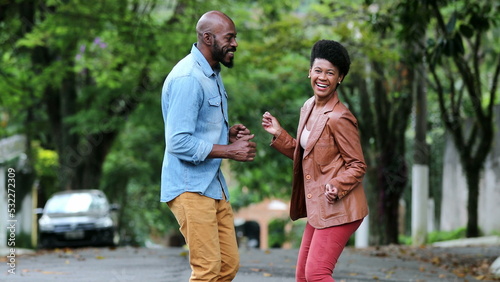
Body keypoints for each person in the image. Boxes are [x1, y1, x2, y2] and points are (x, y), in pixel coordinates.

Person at [160, 10, 256, 282]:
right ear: (207, 37)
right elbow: (178, 141)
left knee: (227, 266)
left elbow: (199, 128)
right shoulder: (188, 78)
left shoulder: (211, 73)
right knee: (207, 271)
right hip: (190, 186)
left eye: (235, 37)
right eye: (230, 38)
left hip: (213, 185)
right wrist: (229, 151)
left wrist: (227, 135)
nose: (235, 44)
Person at [261, 39, 368, 281]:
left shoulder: (340, 117)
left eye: (331, 73)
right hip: (319, 207)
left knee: (317, 274)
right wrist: (280, 134)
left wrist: (337, 185)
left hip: (341, 206)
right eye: (318, 70)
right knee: (303, 276)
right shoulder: (308, 107)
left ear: (339, 78)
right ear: (309, 71)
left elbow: (358, 165)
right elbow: (306, 156)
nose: (323, 77)